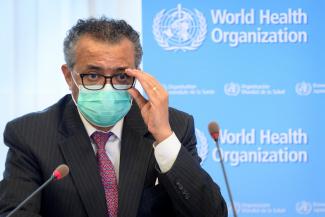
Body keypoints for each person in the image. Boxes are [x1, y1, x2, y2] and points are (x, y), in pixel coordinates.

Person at [0, 17, 227, 217]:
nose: (107, 88)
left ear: (136, 74)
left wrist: (164, 138)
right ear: (69, 77)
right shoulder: (30, 135)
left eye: (120, 76)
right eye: (93, 75)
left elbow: (211, 213)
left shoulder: (175, 126)